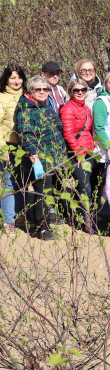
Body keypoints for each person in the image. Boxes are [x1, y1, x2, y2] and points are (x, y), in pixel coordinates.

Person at [15, 75, 69, 240]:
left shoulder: (46, 107)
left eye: (44, 89)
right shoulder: (26, 111)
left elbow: (58, 128)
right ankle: (42, 227)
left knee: (49, 191)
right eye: (37, 89)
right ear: (31, 91)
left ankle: (38, 217)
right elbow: (26, 136)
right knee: (42, 193)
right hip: (38, 159)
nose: (42, 92)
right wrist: (34, 155)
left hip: (55, 157)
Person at [60, 78, 96, 232]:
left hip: (89, 151)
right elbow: (68, 134)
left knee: (89, 184)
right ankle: (85, 220)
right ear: (70, 92)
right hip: (77, 153)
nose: (80, 92)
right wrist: (79, 153)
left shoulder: (86, 108)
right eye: (76, 90)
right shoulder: (68, 109)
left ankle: (83, 216)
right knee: (84, 186)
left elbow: (87, 131)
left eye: (83, 90)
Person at [0, 66, 25, 231]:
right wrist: (2, 147)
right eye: (12, 78)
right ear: (6, 80)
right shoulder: (2, 98)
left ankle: (20, 215)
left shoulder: (27, 96)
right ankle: (8, 220)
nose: (16, 81)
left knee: (23, 181)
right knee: (8, 181)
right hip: (7, 145)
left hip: (25, 146)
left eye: (19, 78)